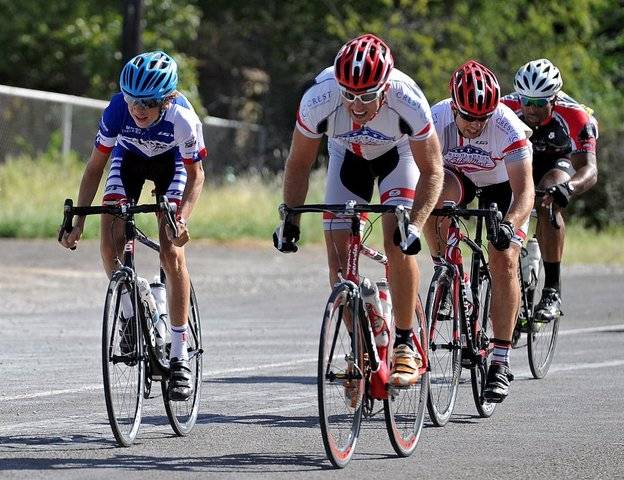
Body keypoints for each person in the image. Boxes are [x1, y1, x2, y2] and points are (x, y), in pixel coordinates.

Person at [273, 34, 444, 387]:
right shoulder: (318, 98)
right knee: (338, 264)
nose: (358, 105)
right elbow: (299, 165)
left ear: (385, 88)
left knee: (397, 240)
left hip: (399, 158)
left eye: (367, 96)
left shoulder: (408, 99)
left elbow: (433, 170)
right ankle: (361, 348)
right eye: (349, 95)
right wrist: (290, 217)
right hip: (346, 158)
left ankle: (404, 343)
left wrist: (415, 225)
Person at [59, 51, 206, 401]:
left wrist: (181, 216)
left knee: (171, 250)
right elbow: (95, 167)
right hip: (129, 160)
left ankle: (179, 352)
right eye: (132, 100)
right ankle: (129, 313)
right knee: (109, 240)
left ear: (167, 100)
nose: (138, 109)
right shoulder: (116, 111)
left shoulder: (184, 119)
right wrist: (78, 220)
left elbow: (197, 175)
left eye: (149, 103)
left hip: (172, 165)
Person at [423, 60, 534, 402]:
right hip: (461, 179)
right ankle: (449, 269)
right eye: (468, 117)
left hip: (503, 187)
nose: (474, 125)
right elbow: (422, 175)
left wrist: (509, 226)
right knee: (431, 200)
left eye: (482, 118)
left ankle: (501, 359)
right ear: (453, 108)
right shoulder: (436, 119)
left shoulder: (508, 127)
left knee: (504, 258)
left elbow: (524, 192)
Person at [501, 59, 598, 321]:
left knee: (548, 195)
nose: (531, 109)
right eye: (527, 102)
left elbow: (589, 169)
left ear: (553, 99)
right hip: (522, 158)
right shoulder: (505, 106)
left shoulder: (576, 116)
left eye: (540, 103)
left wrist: (569, 187)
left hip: (558, 160)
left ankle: (552, 290)